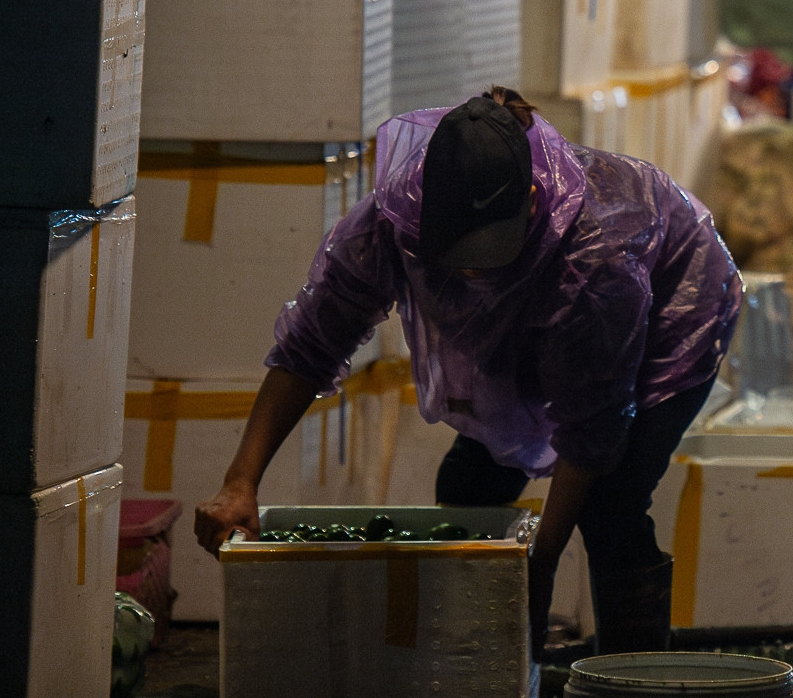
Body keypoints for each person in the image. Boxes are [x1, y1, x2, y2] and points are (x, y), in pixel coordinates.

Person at [193, 89, 742, 653]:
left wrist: (541, 562)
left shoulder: (597, 260)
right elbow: (312, 343)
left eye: (488, 251)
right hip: (539, 315)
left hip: (671, 314)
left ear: (531, 202)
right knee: (468, 484)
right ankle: (477, 661)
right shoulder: (393, 220)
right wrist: (241, 481)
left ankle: (634, 689)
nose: (472, 270)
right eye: (456, 253)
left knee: (610, 504)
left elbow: (592, 428)